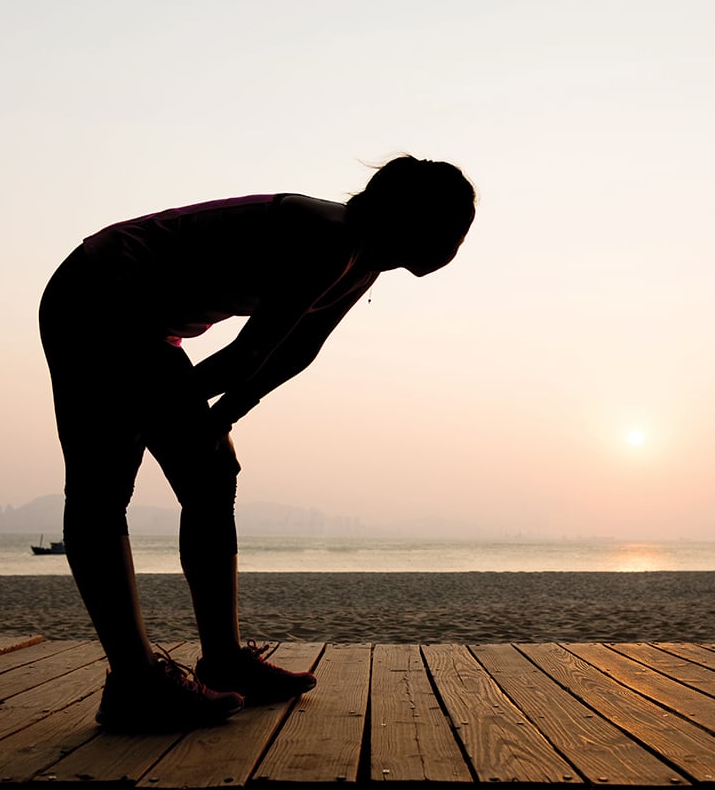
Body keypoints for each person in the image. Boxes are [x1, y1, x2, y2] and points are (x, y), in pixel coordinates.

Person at [39, 156, 476, 731]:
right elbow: (250, 352)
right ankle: (135, 682)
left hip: (141, 317)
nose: (458, 242)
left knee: (211, 473)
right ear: (413, 219)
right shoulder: (329, 237)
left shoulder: (364, 260)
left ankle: (223, 662)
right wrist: (185, 411)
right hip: (98, 294)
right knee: (103, 485)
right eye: (455, 226)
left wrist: (217, 417)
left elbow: (295, 351)